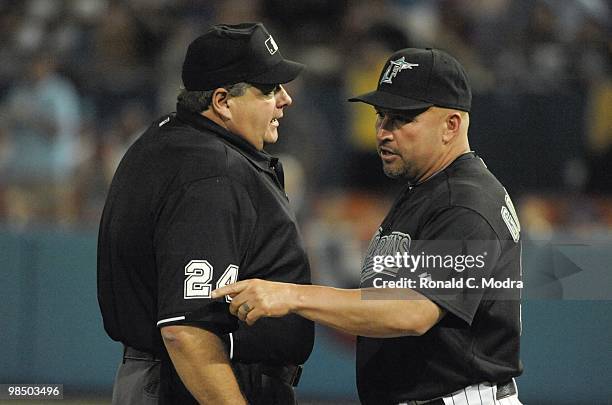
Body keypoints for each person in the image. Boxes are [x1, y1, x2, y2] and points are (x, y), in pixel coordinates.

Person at [213, 48, 523, 405]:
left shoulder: (464, 201)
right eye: (381, 115)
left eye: (402, 119)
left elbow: (414, 311)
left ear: (451, 125)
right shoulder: (428, 189)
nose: (383, 132)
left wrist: (292, 295)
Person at [97, 22, 314, 405]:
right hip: (193, 384)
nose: (285, 99)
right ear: (222, 101)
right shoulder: (211, 169)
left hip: (169, 378)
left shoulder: (173, 139)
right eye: (268, 89)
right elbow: (186, 330)